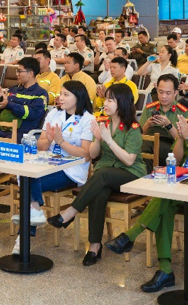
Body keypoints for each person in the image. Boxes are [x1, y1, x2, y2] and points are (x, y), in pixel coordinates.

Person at [108, 79, 188, 292]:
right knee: (163, 203)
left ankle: (131, 236)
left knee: (163, 200)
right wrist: (181, 138)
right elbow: (176, 158)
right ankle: (165, 269)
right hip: (184, 182)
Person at [47, 84, 144, 266]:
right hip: (106, 175)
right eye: (105, 99)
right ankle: (94, 246)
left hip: (131, 174)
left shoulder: (133, 127)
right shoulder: (103, 123)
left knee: (102, 174)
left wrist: (109, 140)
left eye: (110, 100)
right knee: (99, 193)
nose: (105, 103)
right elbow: (92, 154)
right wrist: (98, 139)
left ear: (122, 103)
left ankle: (70, 212)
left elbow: (129, 160)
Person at [10, 79, 95, 255]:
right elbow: (41, 145)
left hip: (71, 169)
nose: (60, 98)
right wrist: (48, 140)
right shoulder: (54, 113)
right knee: (26, 175)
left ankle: (23, 238)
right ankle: (35, 210)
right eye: (60, 94)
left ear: (78, 97)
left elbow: (86, 154)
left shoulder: (88, 119)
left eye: (66, 95)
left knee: (29, 181)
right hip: (48, 162)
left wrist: (61, 142)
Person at [0, 57, 49, 141]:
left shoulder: (40, 94)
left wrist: (8, 104)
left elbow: (32, 114)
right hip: (4, 129)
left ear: (30, 73)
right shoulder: (13, 90)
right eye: (17, 71)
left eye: (20, 71)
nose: (17, 74)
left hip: (23, 133)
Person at [138, 75, 184, 164]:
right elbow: (139, 135)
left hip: (171, 149)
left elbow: (184, 142)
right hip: (148, 145)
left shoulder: (183, 112)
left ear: (175, 93)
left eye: (168, 93)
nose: (163, 96)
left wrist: (169, 125)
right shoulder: (149, 109)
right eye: (161, 92)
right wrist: (147, 125)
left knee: (148, 145)